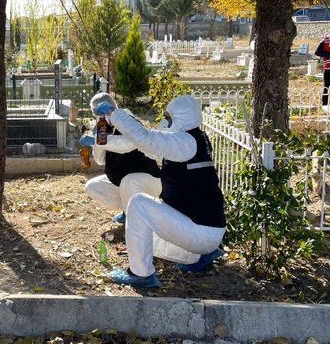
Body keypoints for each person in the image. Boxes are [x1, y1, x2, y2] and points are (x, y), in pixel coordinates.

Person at [94, 95, 226, 288]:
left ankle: (141, 274)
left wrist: (113, 114)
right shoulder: (193, 139)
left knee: (138, 204)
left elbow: (146, 139)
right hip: (206, 229)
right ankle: (198, 256)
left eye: (168, 116)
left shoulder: (185, 141)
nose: (165, 120)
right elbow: (148, 147)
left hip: (201, 230)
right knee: (144, 240)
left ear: (180, 117)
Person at [80, 93, 161, 225]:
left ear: (112, 107)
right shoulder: (103, 126)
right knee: (93, 186)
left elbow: (127, 144)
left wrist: (99, 140)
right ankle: (128, 210)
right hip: (124, 180)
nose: (101, 115)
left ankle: (137, 221)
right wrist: (95, 142)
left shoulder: (128, 120)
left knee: (129, 181)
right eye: (96, 112)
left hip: (148, 179)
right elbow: (101, 160)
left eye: (103, 111)